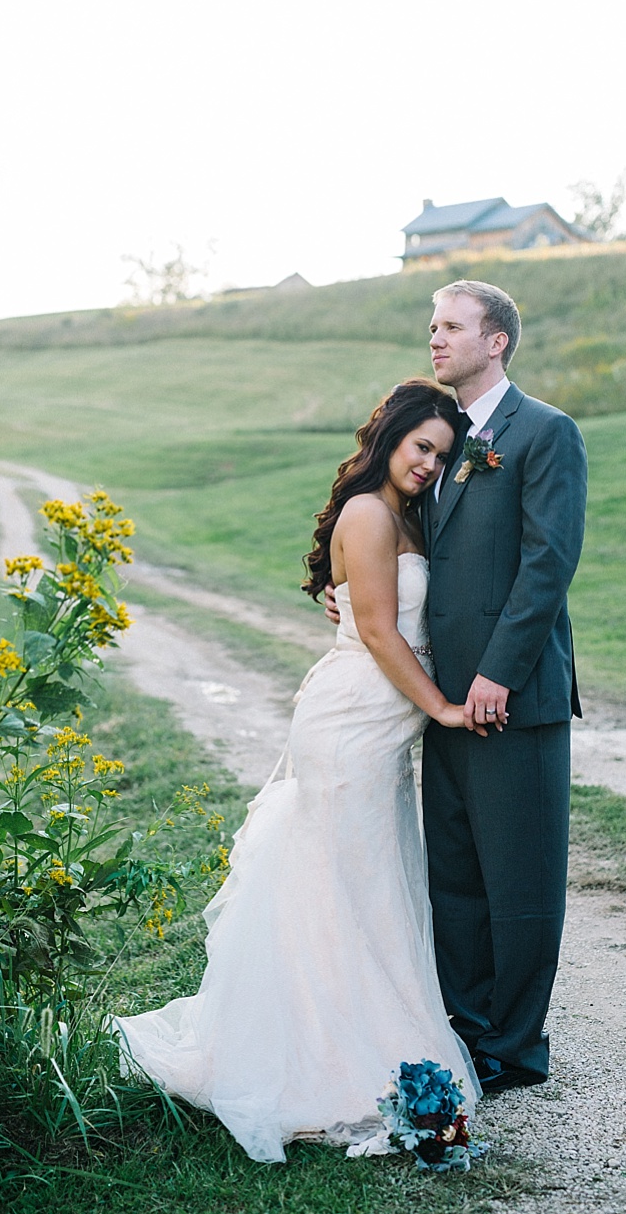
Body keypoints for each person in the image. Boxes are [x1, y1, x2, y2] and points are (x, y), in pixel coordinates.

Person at [114, 379, 484, 1163]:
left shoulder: (404, 514)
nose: (428, 465)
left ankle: (356, 1036)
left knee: (364, 886)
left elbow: (376, 609)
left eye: (443, 456)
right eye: (421, 447)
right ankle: (324, 1061)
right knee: (338, 888)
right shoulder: (368, 512)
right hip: (352, 725)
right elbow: (382, 635)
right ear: (389, 439)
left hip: (376, 731)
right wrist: (446, 709)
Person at [343, 279, 587, 1095]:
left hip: (511, 702)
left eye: (452, 326)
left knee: (519, 882)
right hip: (441, 706)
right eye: (432, 325)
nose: (435, 338)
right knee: (456, 880)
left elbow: (547, 566)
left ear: (497, 341)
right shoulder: (441, 447)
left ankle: (515, 1050)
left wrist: (494, 674)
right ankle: (467, 1035)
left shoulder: (546, 432)